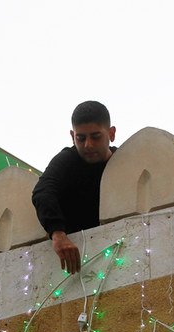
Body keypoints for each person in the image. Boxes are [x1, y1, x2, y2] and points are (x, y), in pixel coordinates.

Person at [32, 100, 117, 274]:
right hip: (77, 266)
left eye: (95, 136)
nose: (88, 145)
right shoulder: (67, 161)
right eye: (81, 138)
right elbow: (43, 191)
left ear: (111, 133)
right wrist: (58, 234)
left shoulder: (126, 162)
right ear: (72, 136)